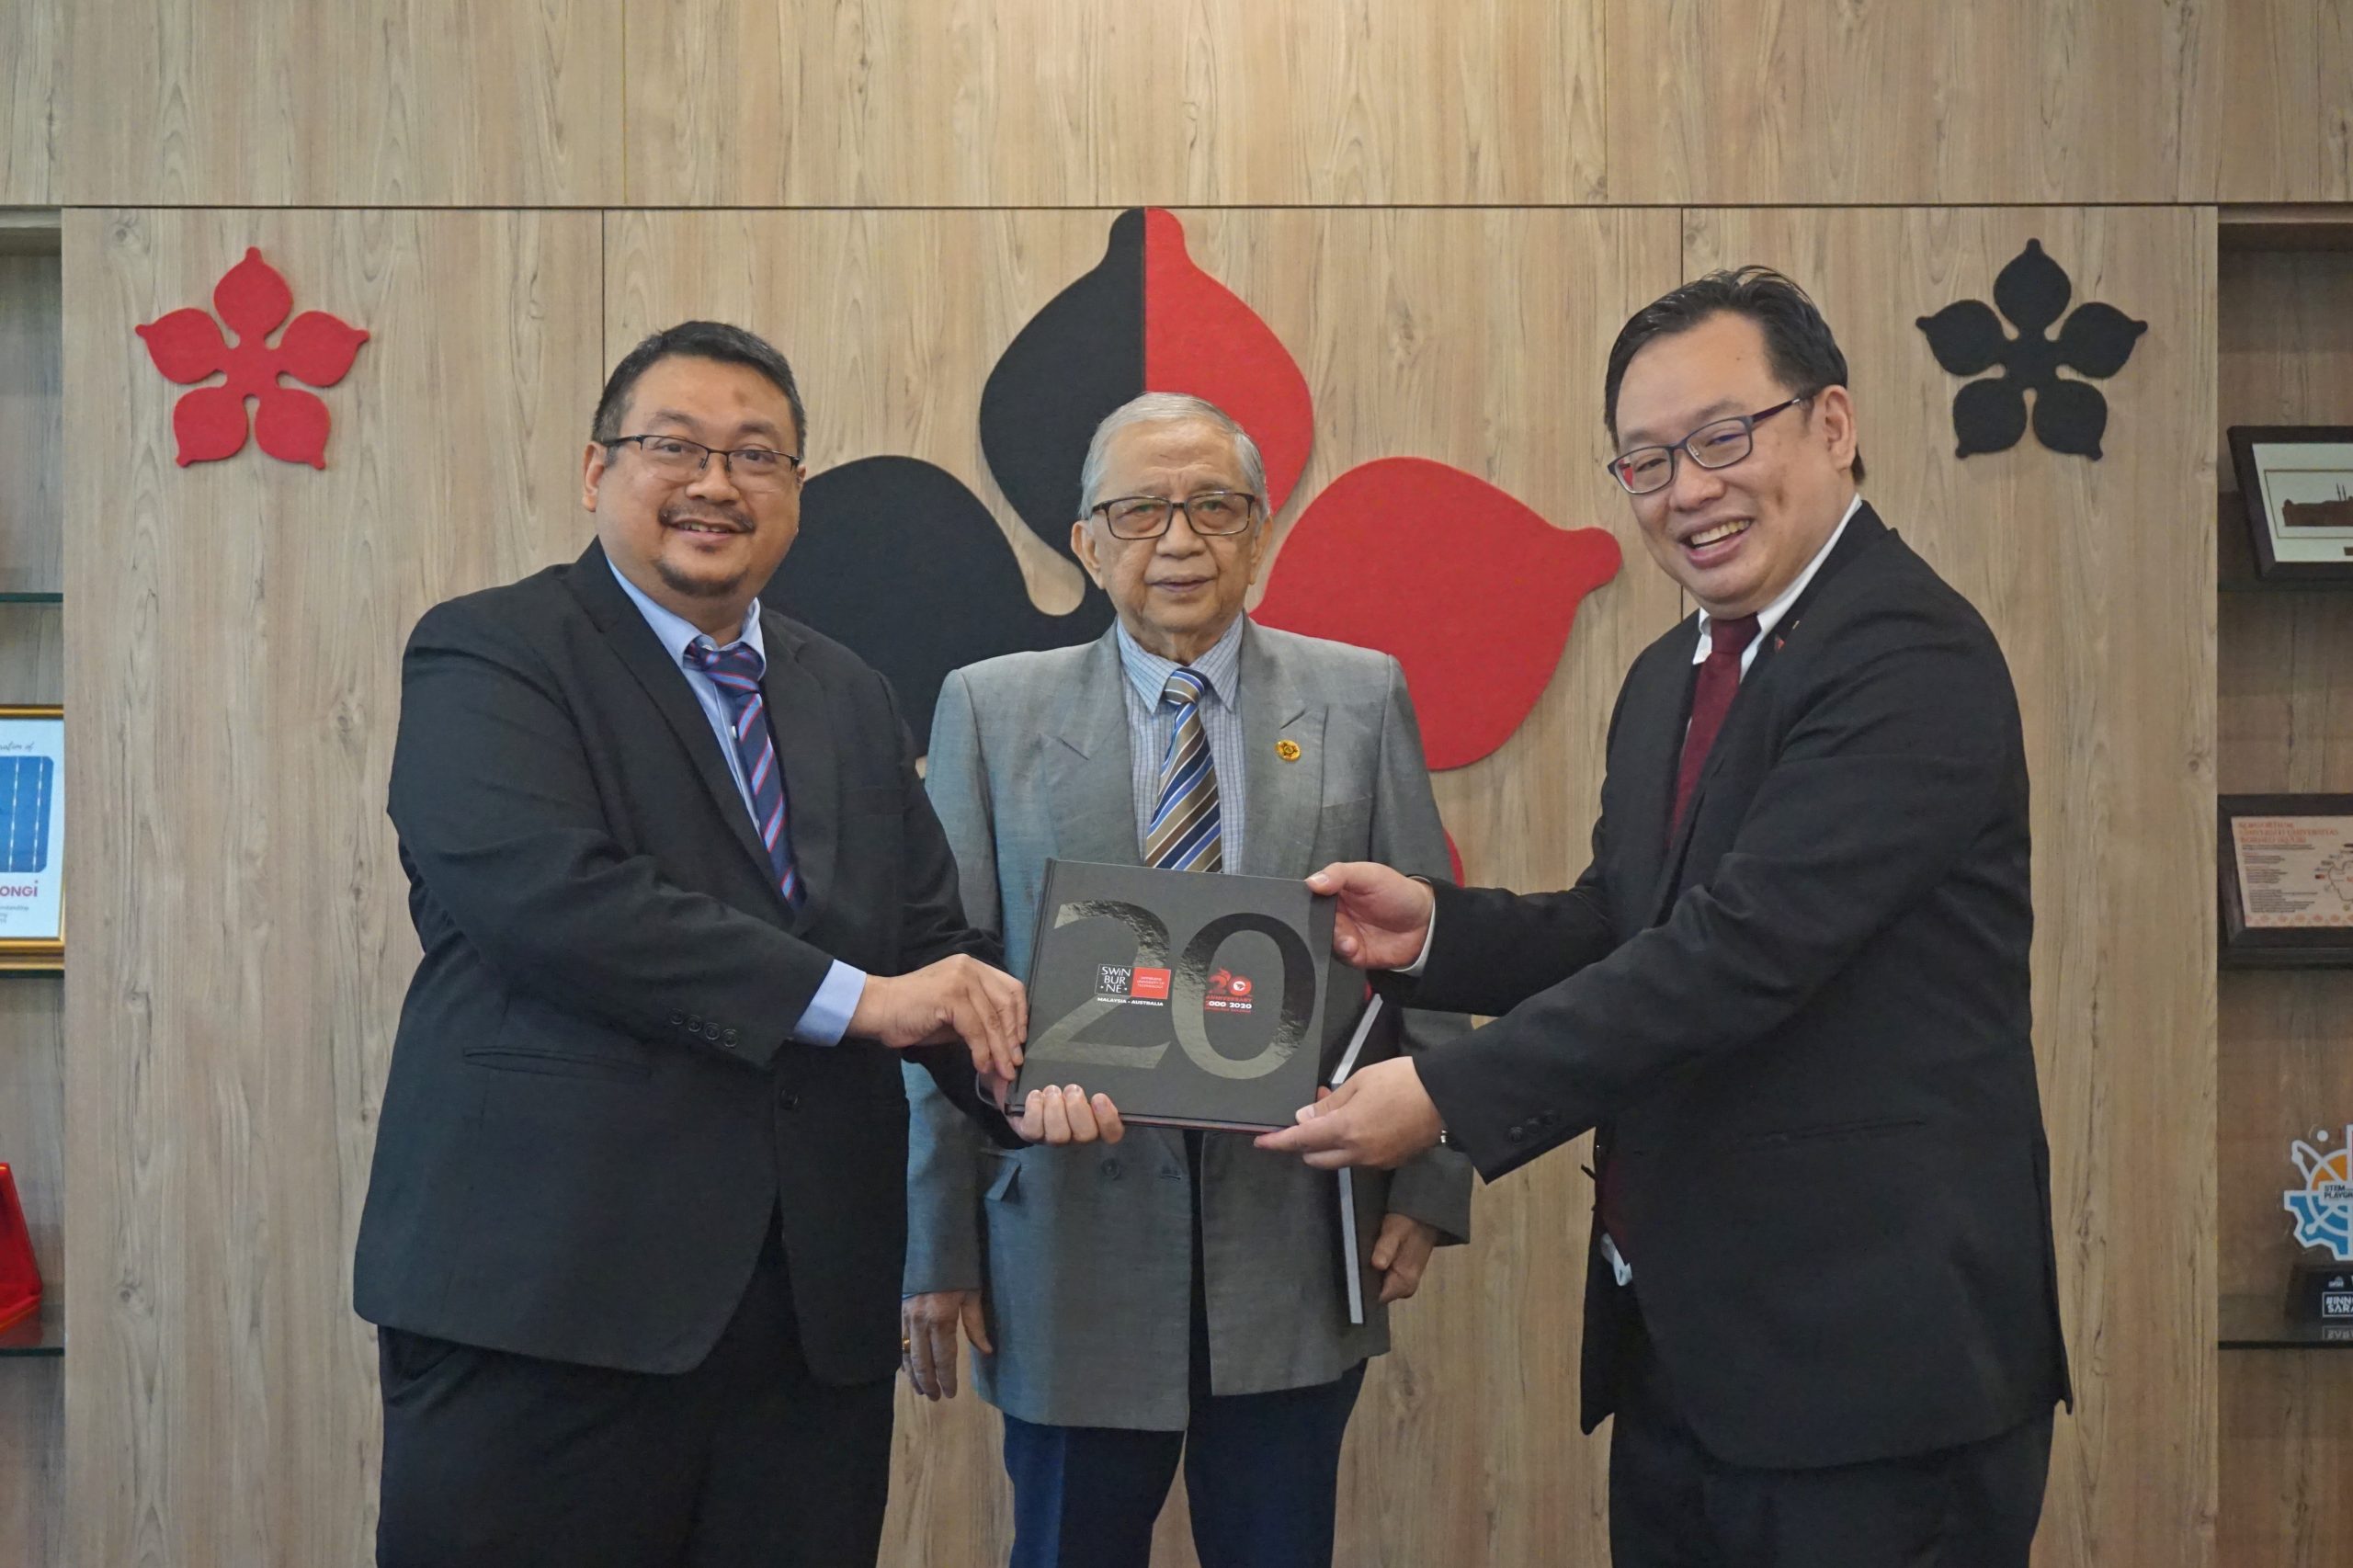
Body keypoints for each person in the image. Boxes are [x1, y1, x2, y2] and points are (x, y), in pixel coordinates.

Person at [1261, 271, 2072, 1566]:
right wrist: (1437, 934)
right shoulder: (1671, 669)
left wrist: (1447, 1092)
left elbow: (1738, 955)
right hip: (1688, 1358)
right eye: (1645, 462)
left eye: (1721, 438)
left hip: (1872, 1374)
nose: (1687, 490)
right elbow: (1627, 922)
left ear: (1833, 423)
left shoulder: (1911, 657)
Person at [357, 321, 1086, 1568]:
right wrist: (867, 1001)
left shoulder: (847, 690)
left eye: (756, 455)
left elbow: (931, 940)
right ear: (597, 472)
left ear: (795, 492)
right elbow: (559, 902)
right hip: (550, 1299)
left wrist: (1047, 1075)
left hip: (804, 1321)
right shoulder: (493, 651)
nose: (714, 482)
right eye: (674, 446)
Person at [904, 392, 1473, 1568]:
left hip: (1295, 1239)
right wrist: (935, 1241)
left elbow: (1427, 946)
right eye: (1140, 510)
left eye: (1214, 506)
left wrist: (1434, 1174)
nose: (1179, 539)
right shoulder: (988, 708)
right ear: (1085, 541)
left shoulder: (1357, 697)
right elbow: (942, 988)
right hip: (1064, 1239)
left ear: (1259, 529)